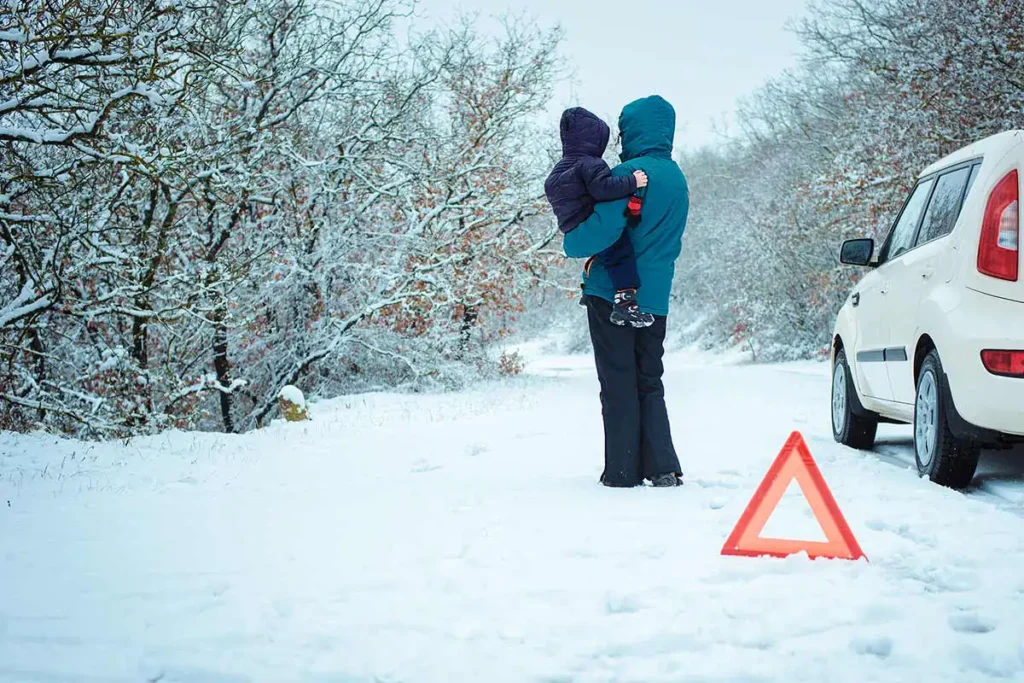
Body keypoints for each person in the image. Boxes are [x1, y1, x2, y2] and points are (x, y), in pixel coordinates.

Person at [562, 95, 688, 488]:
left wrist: (571, 245)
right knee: (649, 380)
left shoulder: (629, 172)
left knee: (617, 382)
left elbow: (601, 232)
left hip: (610, 293)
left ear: (632, 130)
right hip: (656, 295)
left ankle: (622, 471)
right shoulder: (677, 178)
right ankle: (662, 467)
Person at [544, 107, 655, 328]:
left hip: (572, 229)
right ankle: (626, 303)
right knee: (621, 252)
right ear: (595, 139)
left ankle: (591, 291)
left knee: (604, 256)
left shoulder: (558, 170)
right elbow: (604, 189)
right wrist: (633, 182)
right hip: (591, 224)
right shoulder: (590, 164)